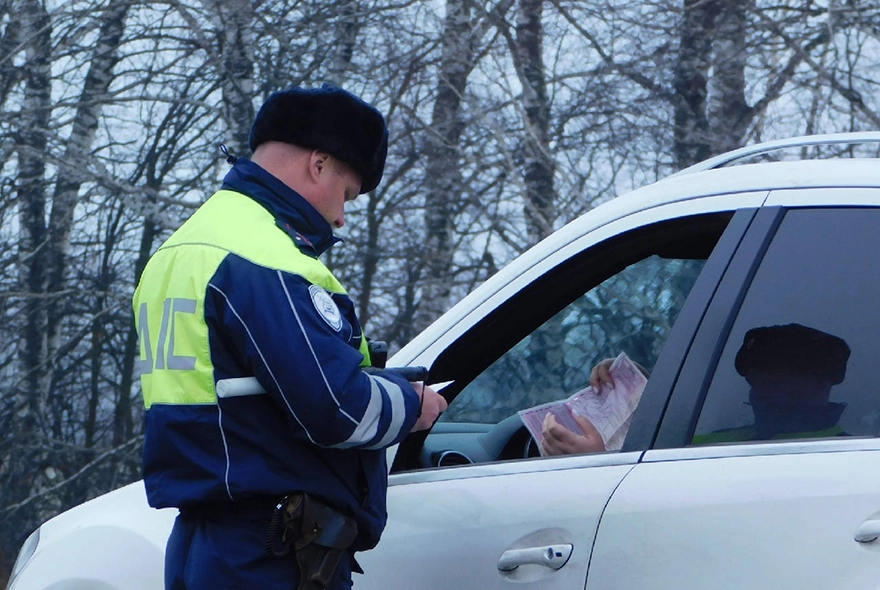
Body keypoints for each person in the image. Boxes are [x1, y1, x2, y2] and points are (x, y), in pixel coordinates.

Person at [133, 84, 447, 590]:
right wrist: (413, 404)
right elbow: (338, 409)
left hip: (206, 541)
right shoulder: (262, 257)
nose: (342, 216)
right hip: (272, 550)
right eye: (345, 194)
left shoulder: (183, 247)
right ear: (319, 164)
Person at [541, 323, 851, 454]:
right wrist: (630, 388)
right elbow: (665, 449)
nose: (760, 393)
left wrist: (598, 464)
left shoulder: (819, 455)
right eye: (755, 381)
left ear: (819, 382)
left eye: (775, 381)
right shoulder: (717, 440)